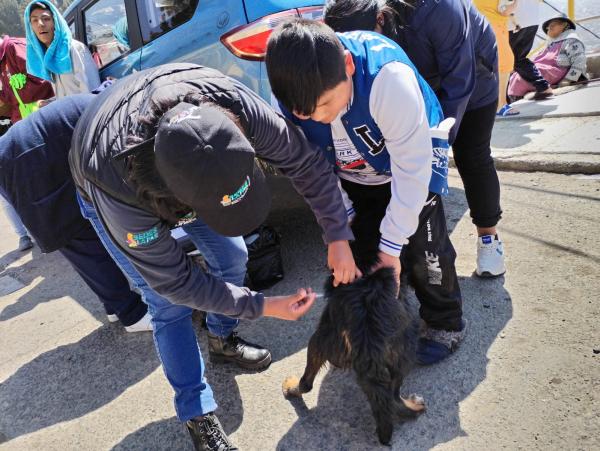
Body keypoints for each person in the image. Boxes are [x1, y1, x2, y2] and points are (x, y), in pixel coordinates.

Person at [69, 63, 359, 450]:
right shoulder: (119, 188)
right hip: (105, 179)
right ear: (180, 201)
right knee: (167, 305)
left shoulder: (233, 102)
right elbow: (176, 282)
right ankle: (197, 414)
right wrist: (262, 305)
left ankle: (222, 340)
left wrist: (337, 235)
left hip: (171, 138)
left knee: (235, 256)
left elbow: (305, 163)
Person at [266, 19, 466, 366]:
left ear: (347, 65)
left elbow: (411, 170)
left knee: (424, 249)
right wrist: (338, 230)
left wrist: (393, 248)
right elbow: (310, 171)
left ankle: (444, 322)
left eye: (327, 103)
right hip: (353, 177)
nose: (321, 118)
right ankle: (382, 330)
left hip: (408, 165)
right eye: (306, 113)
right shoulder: (285, 101)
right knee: (362, 252)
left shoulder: (388, 78)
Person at [322, 0, 506, 278]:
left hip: (471, 77)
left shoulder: (439, 8)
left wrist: (433, 147)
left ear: (380, 19)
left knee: (472, 155)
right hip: (413, 82)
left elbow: (460, 79)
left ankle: (488, 237)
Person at [0, 94, 151, 332]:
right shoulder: (121, 116)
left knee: (87, 235)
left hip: (32, 153)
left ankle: (115, 306)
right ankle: (131, 315)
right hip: (24, 161)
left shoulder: (114, 106)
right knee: (78, 237)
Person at [24, 0, 101, 99]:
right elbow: (65, 95)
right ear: (30, 28)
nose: (40, 24)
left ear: (55, 22)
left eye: (46, 19)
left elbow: (92, 94)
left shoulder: (74, 49)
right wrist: (51, 103)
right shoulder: (48, 57)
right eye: (34, 20)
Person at [508, 16, 587, 100]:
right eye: (548, 27)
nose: (550, 27)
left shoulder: (571, 40)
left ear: (564, 25)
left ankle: (516, 99)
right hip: (547, 70)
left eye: (554, 24)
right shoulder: (551, 44)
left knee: (525, 75)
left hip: (557, 70)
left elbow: (579, 60)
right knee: (517, 72)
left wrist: (568, 79)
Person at [473, 0, 519, 115]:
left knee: (489, 66)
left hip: (482, 25)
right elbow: (505, 10)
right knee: (505, 62)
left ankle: (489, 106)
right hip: (494, 26)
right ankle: (500, 105)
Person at [0, 35, 54, 122]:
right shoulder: (2, 60)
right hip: (26, 120)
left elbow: (42, 80)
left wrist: (11, 96)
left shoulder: (15, 47)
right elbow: (10, 93)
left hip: (45, 114)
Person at [507, 0, 553, 101]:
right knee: (518, 59)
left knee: (511, 59)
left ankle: (543, 87)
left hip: (515, 21)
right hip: (532, 20)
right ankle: (543, 86)